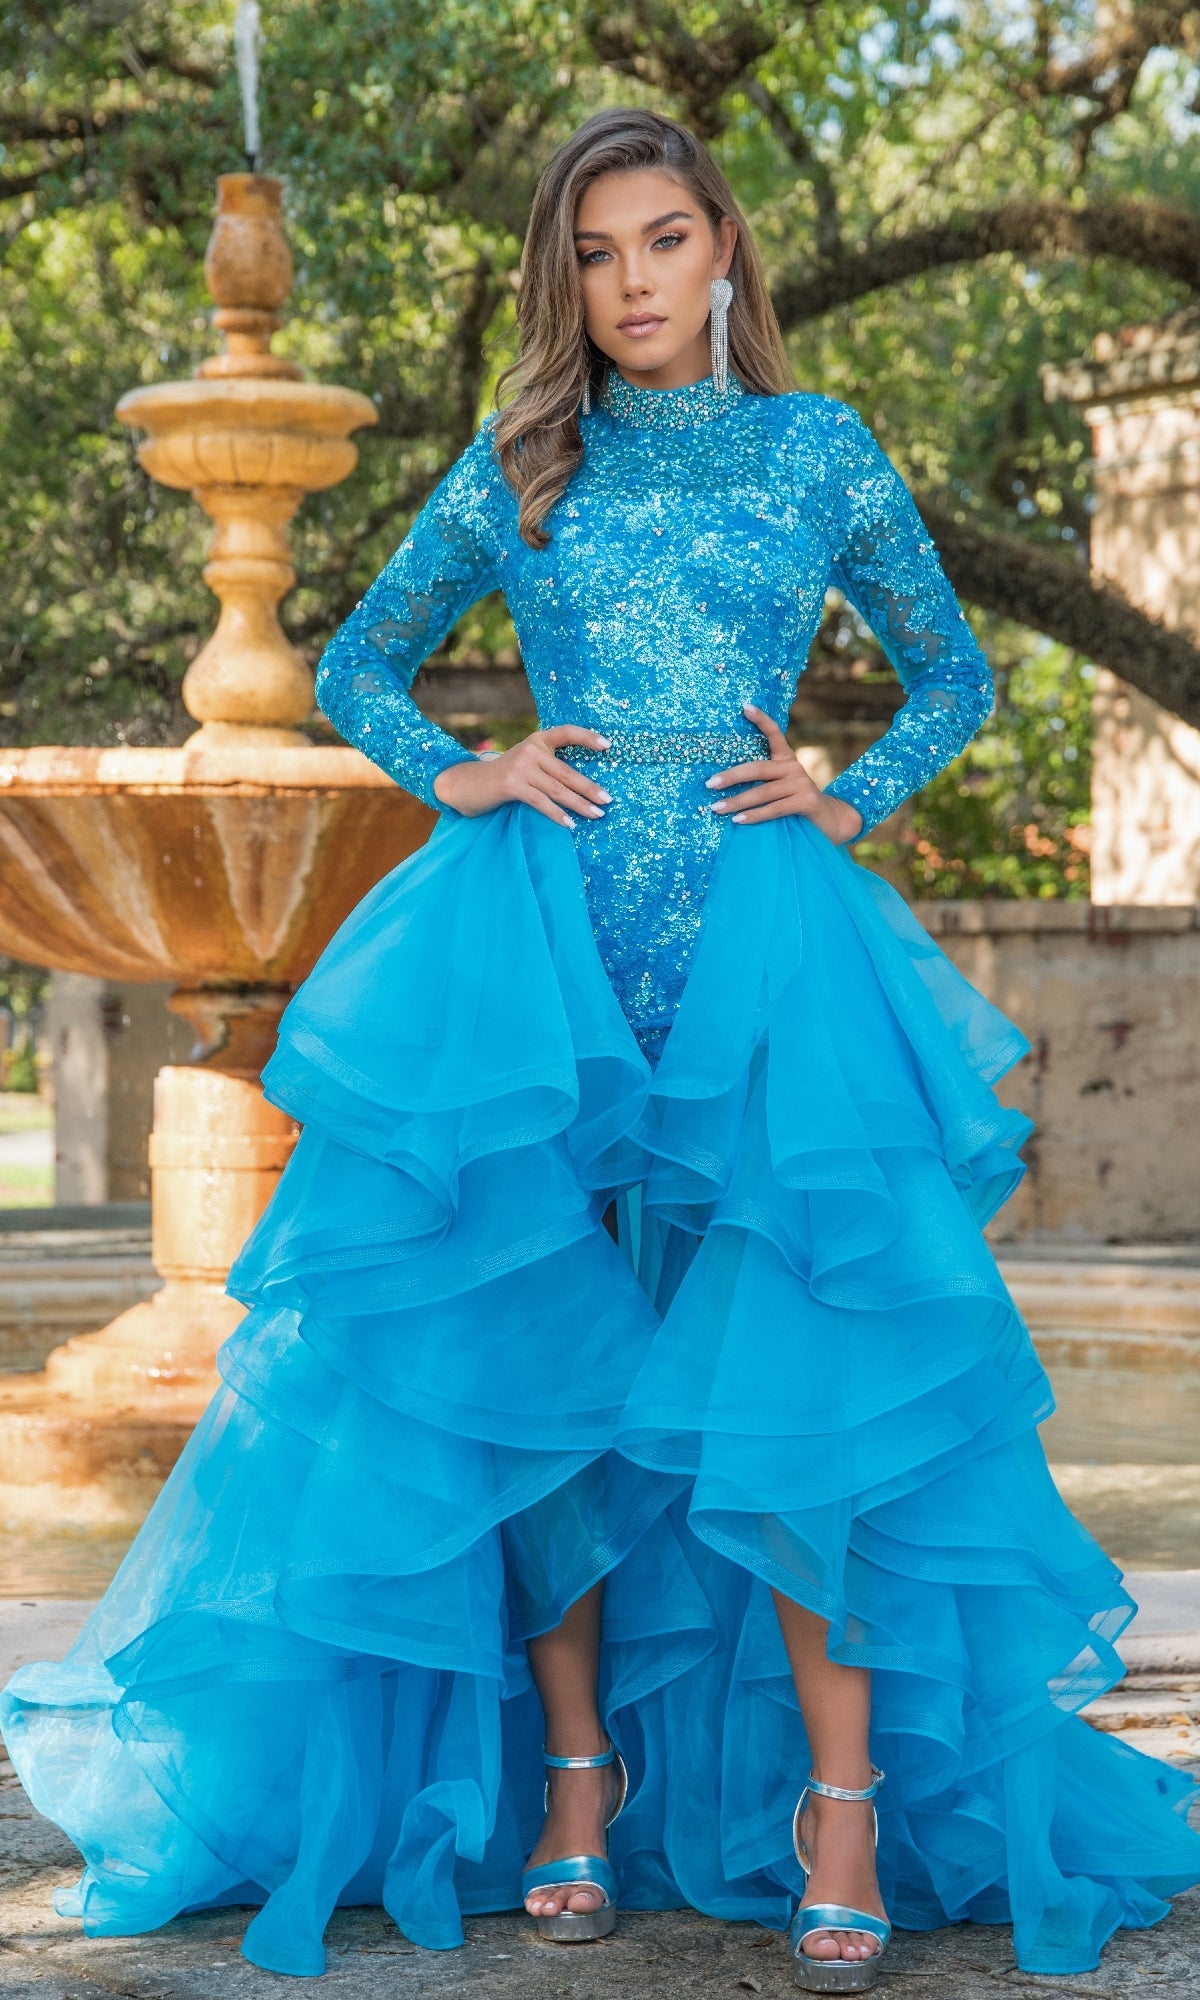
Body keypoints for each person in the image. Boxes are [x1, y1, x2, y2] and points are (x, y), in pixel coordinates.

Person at [3, 107, 1197, 1997]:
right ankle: (574, 1780)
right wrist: (467, 769)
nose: (628, 283)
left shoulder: (821, 451)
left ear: (724, 249)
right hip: (539, 955)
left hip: (760, 947)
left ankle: (844, 1808)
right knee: (532, 1368)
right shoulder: (522, 456)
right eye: (592, 253)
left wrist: (844, 793)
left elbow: (955, 674)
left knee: (815, 1373)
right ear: (570, 275)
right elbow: (361, 662)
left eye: (660, 242)